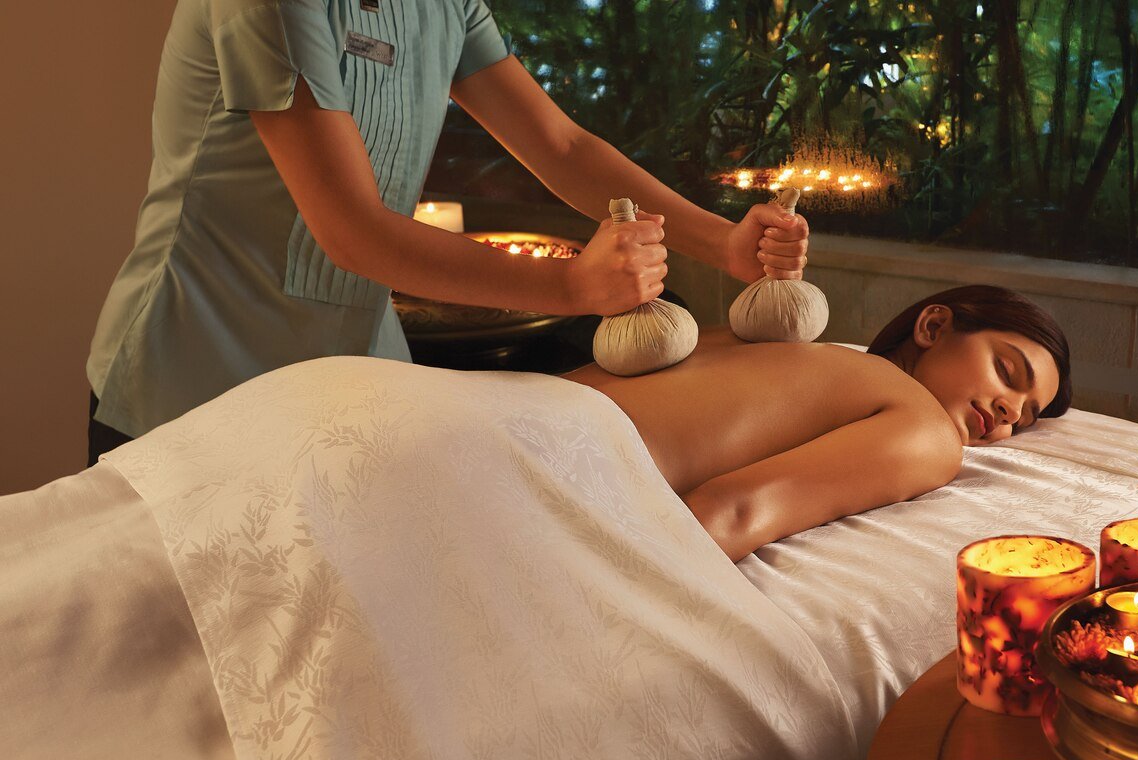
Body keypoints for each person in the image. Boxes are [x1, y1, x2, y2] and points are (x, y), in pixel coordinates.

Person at [85, 0, 808, 465]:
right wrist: (571, 284)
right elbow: (353, 231)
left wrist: (721, 243)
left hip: (352, 384)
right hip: (196, 378)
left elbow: (561, 146)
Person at [564, 284, 1072, 560]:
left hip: (531, 403)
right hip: (555, 468)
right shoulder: (928, 433)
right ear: (934, 326)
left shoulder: (768, 341)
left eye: (1024, 418)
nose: (1009, 412)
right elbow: (725, 514)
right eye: (1007, 372)